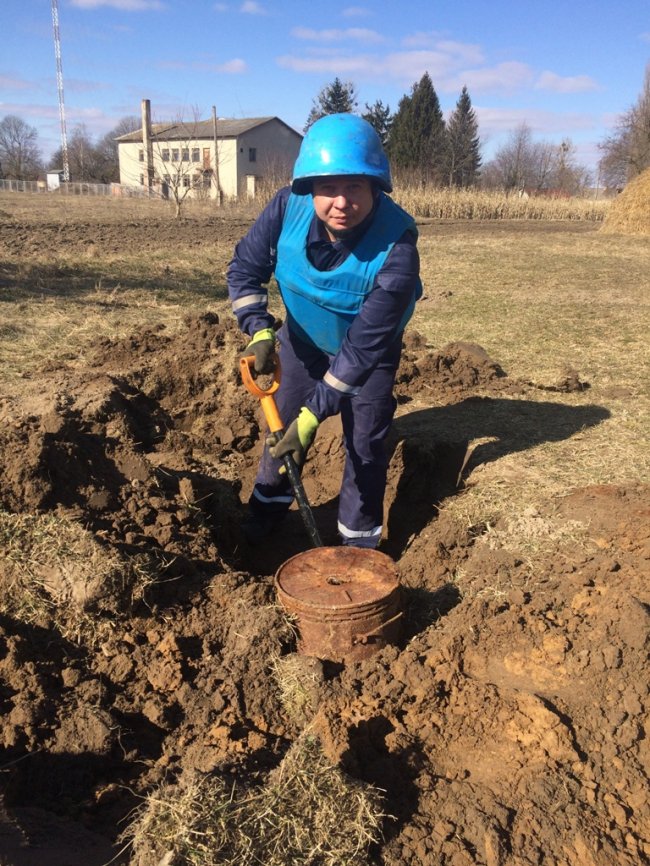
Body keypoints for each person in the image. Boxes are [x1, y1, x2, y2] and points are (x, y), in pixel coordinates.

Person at [227, 113, 422, 548]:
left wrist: (314, 415)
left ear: (376, 188)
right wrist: (259, 331)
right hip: (300, 341)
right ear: (309, 187)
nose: (341, 201)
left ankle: (358, 547)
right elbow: (244, 270)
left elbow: (362, 349)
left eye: (355, 186)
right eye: (328, 187)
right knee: (282, 435)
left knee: (365, 447)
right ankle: (262, 522)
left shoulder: (397, 249)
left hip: (368, 358)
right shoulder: (286, 209)